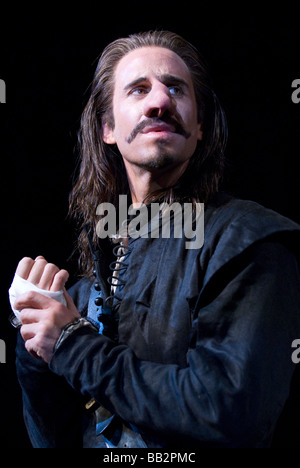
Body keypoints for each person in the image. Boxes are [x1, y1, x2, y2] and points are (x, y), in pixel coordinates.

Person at [10, 30, 300, 448]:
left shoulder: (248, 242)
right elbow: (51, 438)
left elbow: (230, 412)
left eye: (176, 89)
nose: (160, 102)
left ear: (199, 127)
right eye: (139, 89)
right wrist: (35, 341)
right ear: (108, 128)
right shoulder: (90, 279)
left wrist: (72, 345)